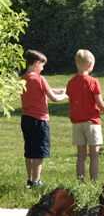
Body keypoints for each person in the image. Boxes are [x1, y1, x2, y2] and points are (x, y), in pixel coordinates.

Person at [20, 50, 67, 188]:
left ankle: (29, 180)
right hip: (40, 120)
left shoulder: (23, 79)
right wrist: (64, 96)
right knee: (39, 152)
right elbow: (53, 98)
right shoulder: (40, 79)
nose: (43, 67)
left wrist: (59, 90)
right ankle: (36, 181)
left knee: (29, 151)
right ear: (36, 63)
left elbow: (44, 91)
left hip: (26, 119)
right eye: (42, 64)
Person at [66, 49, 104, 182]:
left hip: (76, 123)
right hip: (92, 123)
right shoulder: (93, 81)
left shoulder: (71, 82)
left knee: (81, 155)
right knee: (94, 154)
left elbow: (71, 100)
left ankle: (80, 181)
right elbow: (99, 101)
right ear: (90, 64)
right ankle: (94, 181)